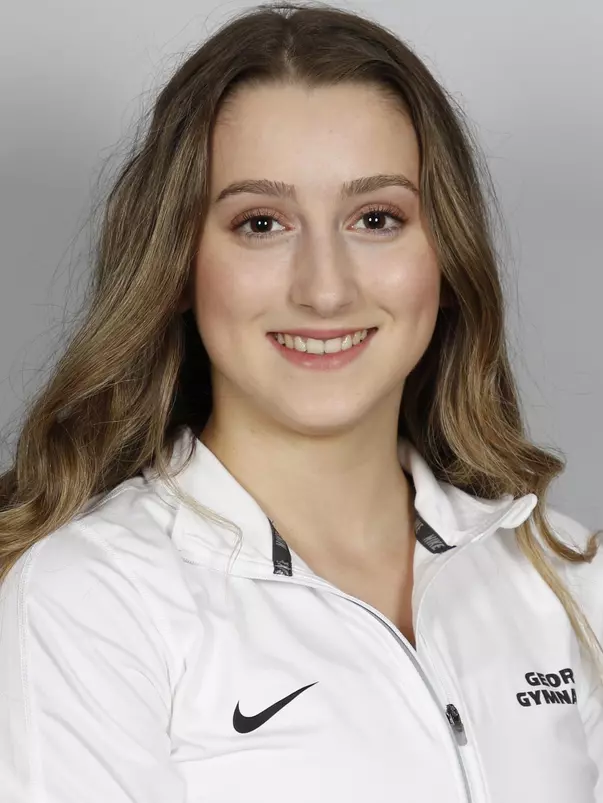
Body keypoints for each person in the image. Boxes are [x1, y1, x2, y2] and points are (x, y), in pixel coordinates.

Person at [0, 2, 601, 801]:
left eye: (376, 218)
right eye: (260, 223)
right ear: (179, 265)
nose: (324, 288)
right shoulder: (91, 597)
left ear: (445, 255)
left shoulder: (566, 577)